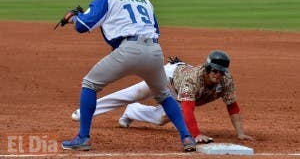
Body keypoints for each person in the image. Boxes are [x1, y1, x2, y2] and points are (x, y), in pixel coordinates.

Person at [60, 0, 196, 152]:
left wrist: (72, 17)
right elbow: (154, 30)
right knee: (164, 95)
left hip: (129, 51)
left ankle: (83, 138)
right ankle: (187, 138)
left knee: (89, 84)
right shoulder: (145, 1)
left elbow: (82, 26)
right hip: (154, 51)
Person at [71, 50, 253, 143]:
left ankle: (132, 112)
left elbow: (232, 106)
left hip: (178, 90)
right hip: (168, 76)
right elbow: (188, 109)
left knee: (160, 118)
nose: (217, 75)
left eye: (221, 72)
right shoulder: (194, 79)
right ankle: (83, 113)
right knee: (135, 93)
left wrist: (241, 133)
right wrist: (195, 135)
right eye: (214, 70)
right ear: (207, 68)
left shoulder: (226, 80)